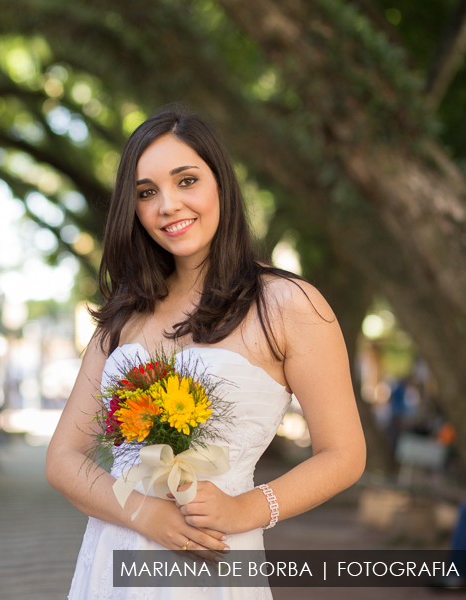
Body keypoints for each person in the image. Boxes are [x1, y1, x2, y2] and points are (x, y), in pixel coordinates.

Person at [46, 106, 366, 599]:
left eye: (186, 180)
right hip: (113, 561)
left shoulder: (287, 306)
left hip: (213, 564)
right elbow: (64, 458)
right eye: (146, 192)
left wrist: (247, 510)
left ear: (221, 184)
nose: (167, 205)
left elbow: (344, 454)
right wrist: (145, 514)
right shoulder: (124, 313)